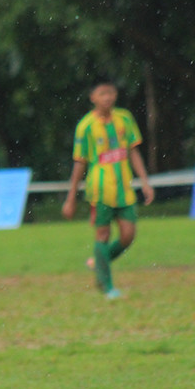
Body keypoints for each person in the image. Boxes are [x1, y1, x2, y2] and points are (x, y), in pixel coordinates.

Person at [61, 77, 154, 299]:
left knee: (128, 235)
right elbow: (79, 162)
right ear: (93, 97)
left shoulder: (125, 119)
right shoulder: (85, 126)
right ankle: (108, 287)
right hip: (100, 189)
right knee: (102, 234)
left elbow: (133, 150)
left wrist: (145, 181)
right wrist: (71, 197)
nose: (107, 97)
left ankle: (98, 263)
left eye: (111, 93)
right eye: (102, 93)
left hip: (124, 188)